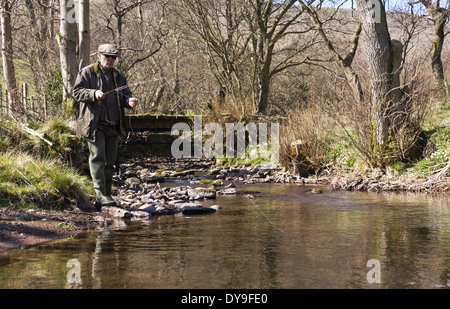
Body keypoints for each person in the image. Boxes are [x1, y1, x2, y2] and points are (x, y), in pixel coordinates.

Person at [73, 44, 138, 210]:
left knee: (110, 162)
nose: (110, 60)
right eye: (107, 56)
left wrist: (130, 101)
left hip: (114, 125)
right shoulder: (87, 72)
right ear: (99, 55)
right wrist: (93, 94)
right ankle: (100, 194)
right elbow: (77, 92)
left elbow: (126, 95)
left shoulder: (118, 76)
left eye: (113, 57)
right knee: (98, 158)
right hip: (94, 124)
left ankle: (106, 193)